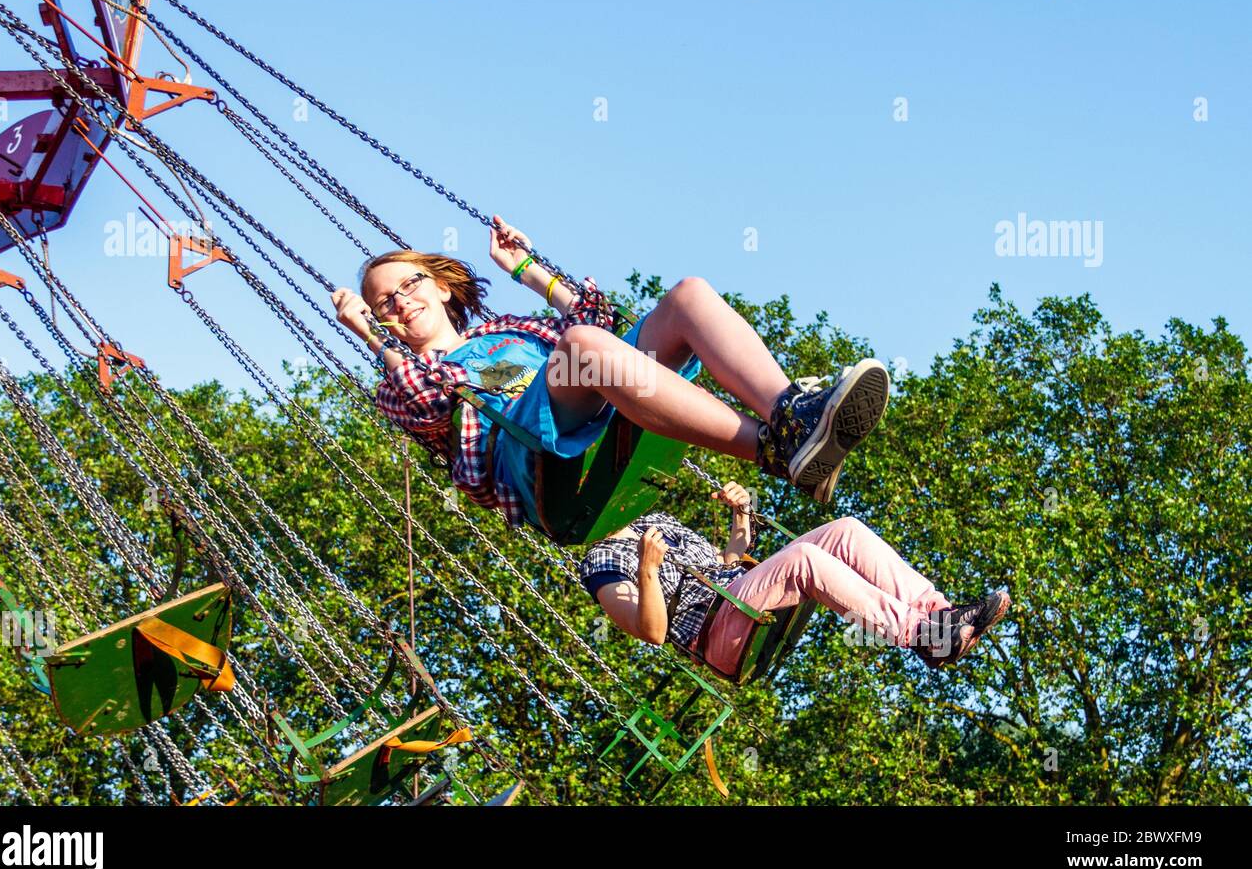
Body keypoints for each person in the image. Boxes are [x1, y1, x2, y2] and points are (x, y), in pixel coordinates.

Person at [332, 216, 890, 531]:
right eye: (384, 304)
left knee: (686, 297)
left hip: (588, 394)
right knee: (581, 346)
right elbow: (423, 404)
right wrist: (372, 337)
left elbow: (593, 319)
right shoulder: (409, 379)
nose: (400, 302)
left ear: (441, 286)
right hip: (532, 457)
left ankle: (790, 417)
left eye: (408, 285)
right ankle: (772, 451)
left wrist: (526, 269)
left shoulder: (505, 330)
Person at [579, 481, 1012, 672]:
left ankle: (938, 616)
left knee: (847, 531)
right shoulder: (604, 562)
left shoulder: (652, 521)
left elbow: (727, 562)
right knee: (804, 558)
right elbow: (652, 632)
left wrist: (741, 515)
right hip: (712, 633)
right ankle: (919, 631)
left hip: (733, 595)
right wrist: (647, 569)